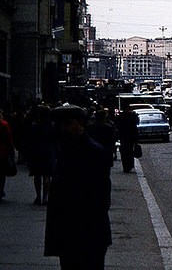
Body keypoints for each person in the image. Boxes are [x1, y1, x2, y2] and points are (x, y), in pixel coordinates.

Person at [44, 104, 112, 270]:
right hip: (70, 231)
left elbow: (101, 195)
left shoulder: (91, 152)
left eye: (67, 124)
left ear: (79, 124)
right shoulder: (67, 150)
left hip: (86, 230)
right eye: (61, 125)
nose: (63, 129)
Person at [26, 105, 57, 205]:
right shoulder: (52, 125)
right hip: (48, 151)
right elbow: (55, 140)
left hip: (37, 150)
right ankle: (45, 197)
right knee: (47, 175)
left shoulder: (35, 124)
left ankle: (38, 196)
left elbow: (30, 139)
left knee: (37, 174)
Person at [115, 106, 138, 173]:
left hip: (124, 136)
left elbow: (117, 126)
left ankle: (126, 166)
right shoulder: (132, 116)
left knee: (125, 152)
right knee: (129, 151)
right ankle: (129, 165)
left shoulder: (121, 116)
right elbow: (134, 127)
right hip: (129, 136)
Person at [0, 109, 15, 202]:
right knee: (1, 173)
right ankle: (0, 190)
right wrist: (11, 151)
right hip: (2, 152)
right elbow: (9, 139)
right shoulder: (4, 124)